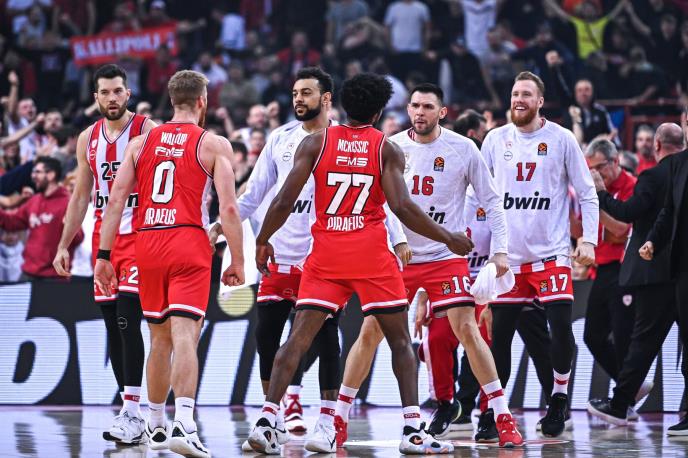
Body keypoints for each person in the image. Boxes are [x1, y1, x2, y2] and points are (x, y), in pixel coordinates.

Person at [247, 74, 468, 455]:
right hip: (370, 256)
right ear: (380, 111)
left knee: (296, 339)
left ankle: (268, 420)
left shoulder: (315, 142)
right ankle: (413, 430)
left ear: (342, 105)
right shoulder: (386, 148)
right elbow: (402, 207)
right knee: (400, 342)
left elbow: (283, 200)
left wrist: (263, 239)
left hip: (326, 255)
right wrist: (448, 237)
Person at [211, 67, 409, 451]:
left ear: (327, 98)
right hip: (281, 252)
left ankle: (316, 413)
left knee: (322, 337)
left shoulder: (344, 139)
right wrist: (222, 225)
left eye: (306, 92)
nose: (298, 99)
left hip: (323, 256)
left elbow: (378, 200)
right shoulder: (280, 139)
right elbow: (256, 193)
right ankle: (275, 416)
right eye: (295, 93)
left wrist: (397, 238)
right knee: (267, 335)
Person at [331, 83, 524, 449]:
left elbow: (492, 201)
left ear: (442, 112)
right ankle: (339, 418)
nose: (419, 112)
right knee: (370, 332)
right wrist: (398, 240)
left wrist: (501, 251)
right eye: (415, 106)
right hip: (398, 256)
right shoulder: (389, 146)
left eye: (427, 106)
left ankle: (502, 416)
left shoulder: (463, 148)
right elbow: (381, 205)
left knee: (467, 329)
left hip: (444, 256)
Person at [94, 70, 245, 458]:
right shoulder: (213, 143)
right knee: (185, 335)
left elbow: (115, 202)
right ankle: (186, 424)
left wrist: (104, 256)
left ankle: (156, 423)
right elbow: (229, 208)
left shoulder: (140, 143)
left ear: (172, 99)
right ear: (202, 101)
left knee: (158, 338)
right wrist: (237, 259)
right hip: (187, 240)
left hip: (146, 243)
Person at [480, 71, 599, 437]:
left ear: (540, 101)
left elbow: (587, 192)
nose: (519, 99)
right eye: (515, 93)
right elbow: (477, 195)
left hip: (552, 253)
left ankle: (559, 398)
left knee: (560, 328)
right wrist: (475, 244)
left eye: (526, 94)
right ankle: (495, 412)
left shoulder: (561, 138)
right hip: (508, 257)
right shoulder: (495, 139)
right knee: (499, 337)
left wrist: (589, 240)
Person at [53, 64, 154, 444]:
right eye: (105, 92)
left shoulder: (147, 129)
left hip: (141, 236)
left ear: (128, 93)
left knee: (128, 318)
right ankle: (133, 412)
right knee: (113, 324)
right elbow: (81, 195)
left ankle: (133, 410)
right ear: (95, 97)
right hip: (104, 240)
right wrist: (64, 244)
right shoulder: (88, 138)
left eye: (117, 91)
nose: (112, 98)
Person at [587, 123, 685, 431]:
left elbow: (628, 214)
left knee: (642, 343)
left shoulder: (652, 176)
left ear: (656, 145)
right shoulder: (680, 174)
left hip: (654, 273)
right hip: (679, 272)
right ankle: (624, 403)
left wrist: (600, 195)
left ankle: (620, 405)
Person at [582, 139, 638, 413]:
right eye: (590, 169)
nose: (595, 174)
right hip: (601, 268)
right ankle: (630, 387)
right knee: (592, 336)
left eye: (599, 167)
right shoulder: (594, 189)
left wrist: (596, 200)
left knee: (623, 335)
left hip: (624, 268)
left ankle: (623, 400)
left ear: (615, 161)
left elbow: (619, 231)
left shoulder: (631, 186)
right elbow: (578, 228)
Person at [0, 157, 83, 280]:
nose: (33, 176)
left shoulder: (68, 203)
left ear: (51, 175)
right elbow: (12, 223)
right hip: (28, 272)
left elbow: (79, 237)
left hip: (54, 277)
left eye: (37, 172)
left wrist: (68, 227)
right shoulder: (34, 200)